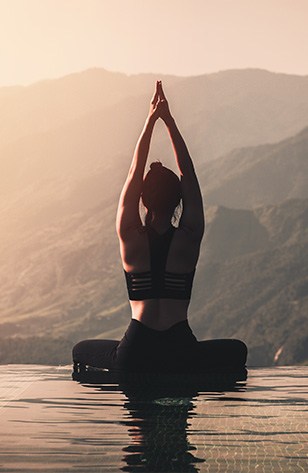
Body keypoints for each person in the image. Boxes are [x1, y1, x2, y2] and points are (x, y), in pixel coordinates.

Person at [73, 81, 247, 374]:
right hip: (181, 352)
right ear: (179, 198)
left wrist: (150, 120)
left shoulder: (129, 236)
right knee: (237, 350)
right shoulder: (189, 236)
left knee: (80, 350)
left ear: (143, 199)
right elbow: (188, 172)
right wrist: (169, 120)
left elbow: (133, 172)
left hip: (135, 352)